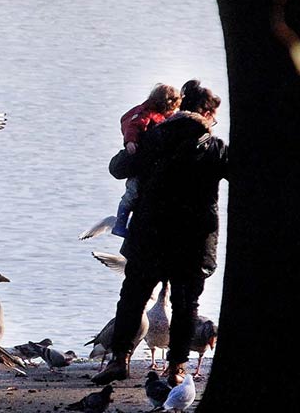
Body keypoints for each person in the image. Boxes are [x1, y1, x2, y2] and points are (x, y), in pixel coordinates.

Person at [91, 80, 228, 387]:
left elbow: (117, 168)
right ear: (205, 113)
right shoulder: (215, 148)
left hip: (149, 236)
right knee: (185, 306)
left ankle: (120, 360)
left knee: (133, 298)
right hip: (193, 243)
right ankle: (177, 367)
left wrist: (134, 147)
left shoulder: (156, 135)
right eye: (214, 117)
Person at [111, 84, 181, 237]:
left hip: (146, 162)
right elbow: (133, 127)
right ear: (165, 104)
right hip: (137, 160)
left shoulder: (157, 115)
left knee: (137, 192)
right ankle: (120, 224)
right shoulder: (145, 114)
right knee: (132, 191)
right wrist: (130, 142)